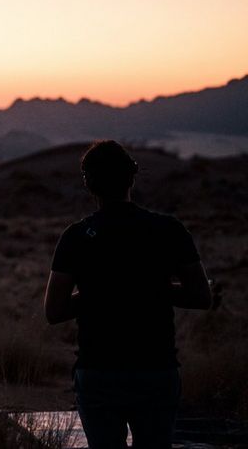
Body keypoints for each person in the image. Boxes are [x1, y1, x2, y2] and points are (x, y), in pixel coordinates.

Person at [44, 140, 212, 449]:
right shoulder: (168, 230)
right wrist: (153, 289)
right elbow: (202, 296)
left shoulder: (76, 236)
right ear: (132, 177)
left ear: (88, 183)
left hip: (99, 372)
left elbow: (54, 311)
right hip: (155, 370)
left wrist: (99, 292)